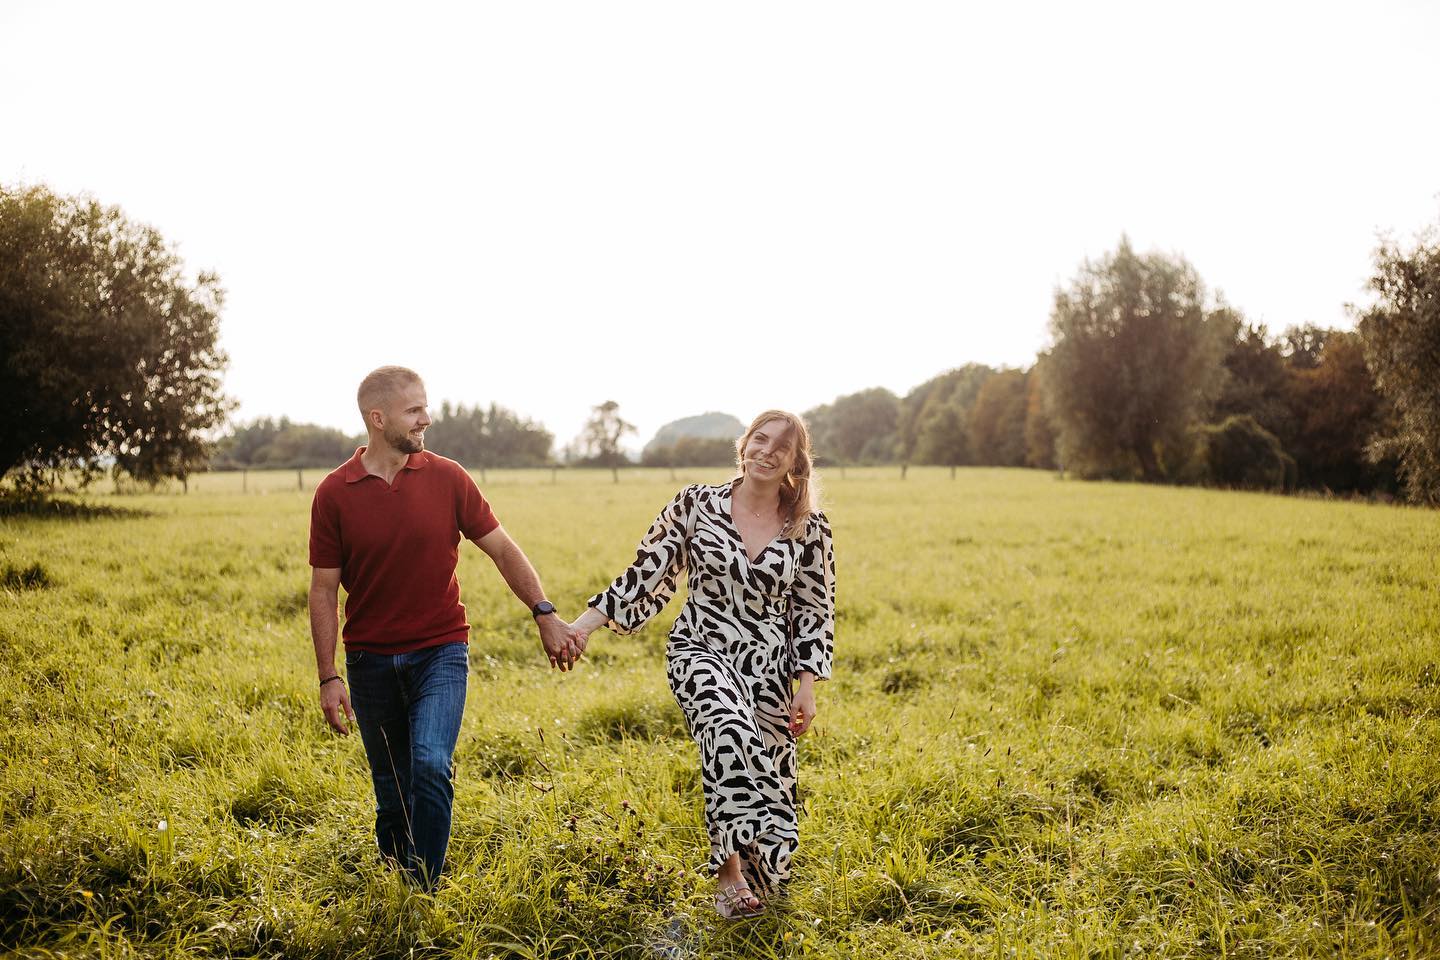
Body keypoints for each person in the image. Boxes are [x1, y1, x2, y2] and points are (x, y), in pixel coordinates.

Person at [308, 365, 583, 889]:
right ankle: (398, 877)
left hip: (441, 650)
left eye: (424, 408)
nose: (426, 420)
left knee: (431, 765)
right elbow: (323, 591)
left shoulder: (447, 477)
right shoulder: (334, 494)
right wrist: (329, 676)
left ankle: (422, 891)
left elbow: (502, 548)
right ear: (377, 417)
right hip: (368, 660)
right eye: (414, 411)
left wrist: (544, 612)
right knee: (391, 792)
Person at [569, 410, 835, 918]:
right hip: (700, 648)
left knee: (771, 779)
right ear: (744, 445)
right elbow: (645, 573)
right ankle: (727, 876)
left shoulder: (809, 527)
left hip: (770, 664)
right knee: (728, 730)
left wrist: (806, 685)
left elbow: (814, 609)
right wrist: (582, 627)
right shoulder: (696, 504)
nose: (767, 451)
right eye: (760, 439)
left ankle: (757, 869)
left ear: (794, 463)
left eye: (782, 446)